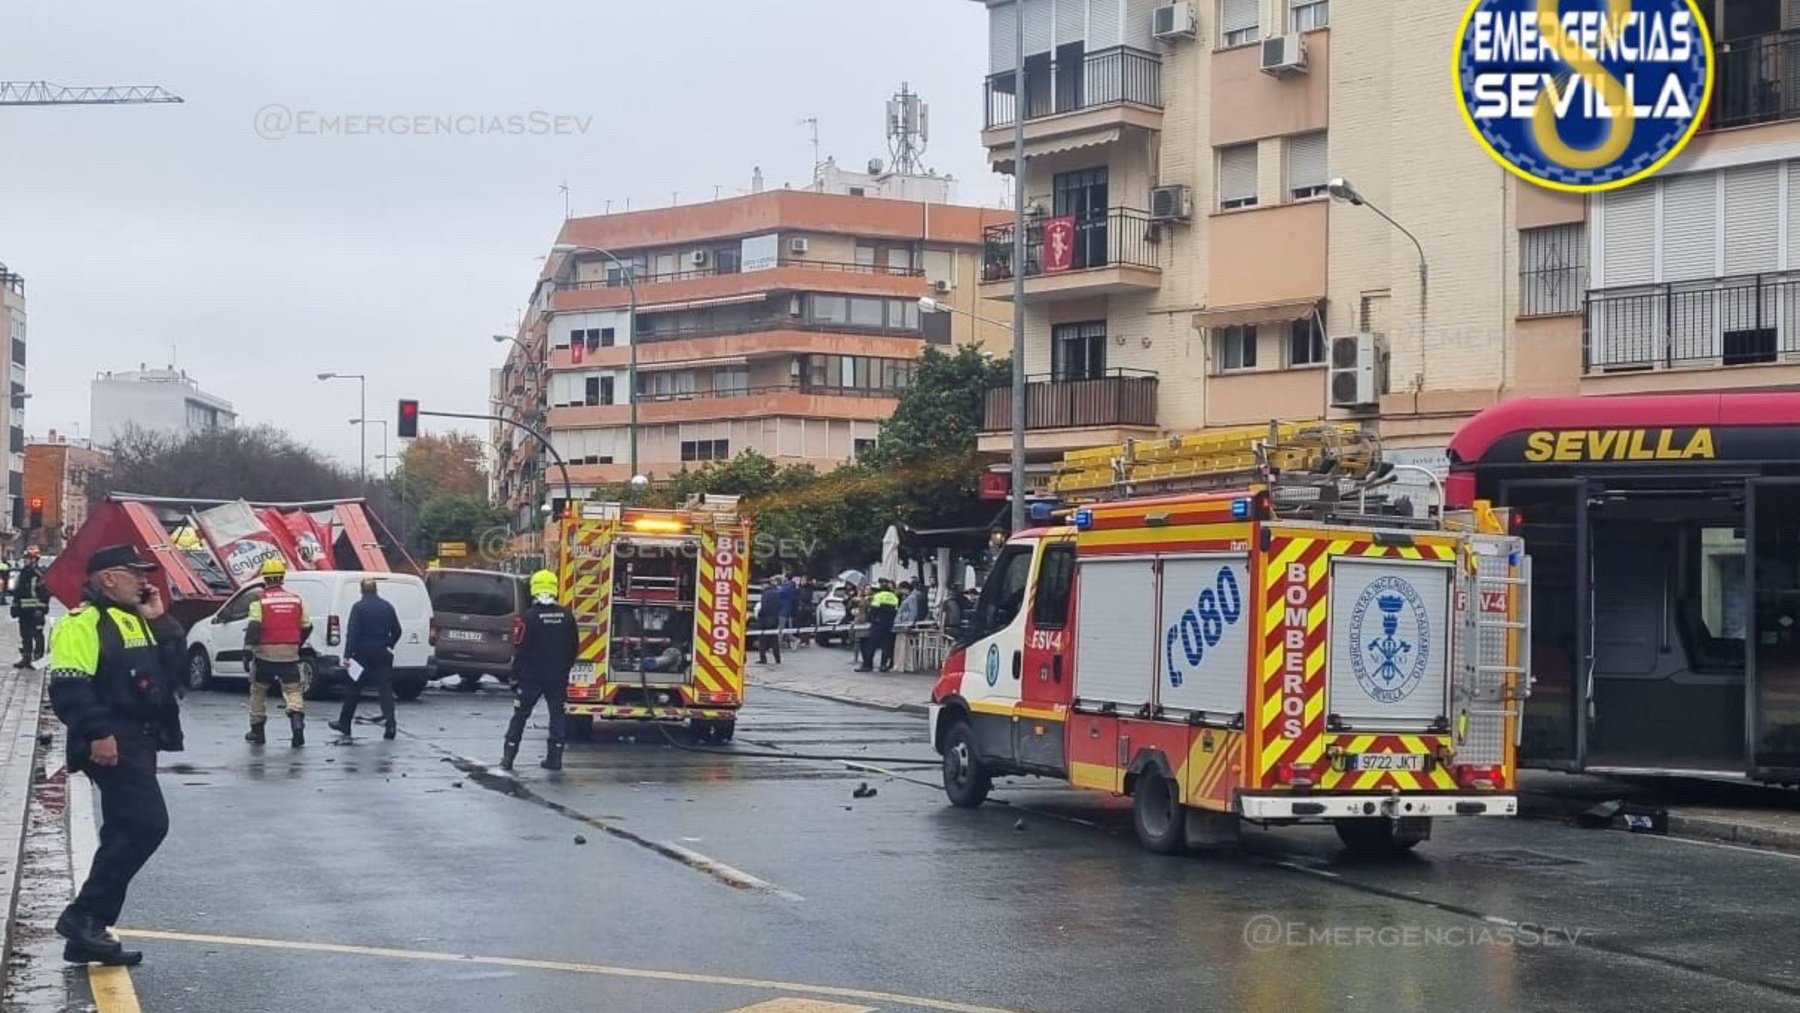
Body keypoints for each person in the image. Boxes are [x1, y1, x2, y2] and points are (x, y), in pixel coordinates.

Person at [46, 544, 184, 967]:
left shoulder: (136, 620)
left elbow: (175, 673)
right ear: (108, 578)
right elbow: (69, 688)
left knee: (125, 830)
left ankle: (85, 933)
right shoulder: (82, 623)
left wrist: (160, 621)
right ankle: (84, 916)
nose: (145, 581)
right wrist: (99, 732)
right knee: (148, 824)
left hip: (139, 740)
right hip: (111, 740)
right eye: (135, 573)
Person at [503, 569, 579, 772]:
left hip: (531, 678)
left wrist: (514, 676)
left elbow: (520, 648)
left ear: (533, 589)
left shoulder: (528, 617)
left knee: (519, 716)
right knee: (557, 717)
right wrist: (564, 670)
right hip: (557, 678)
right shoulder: (567, 617)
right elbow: (574, 648)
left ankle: (508, 759)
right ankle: (555, 759)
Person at [242, 558, 312, 748]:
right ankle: (297, 724)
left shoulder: (260, 600)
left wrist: (247, 651)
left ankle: (257, 732)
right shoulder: (296, 599)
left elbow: (254, 625)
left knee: (258, 691)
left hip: (265, 654)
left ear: (265, 578)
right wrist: (297, 643)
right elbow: (307, 625)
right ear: (282, 577)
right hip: (289, 653)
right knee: (293, 690)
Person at [331, 578, 402, 740]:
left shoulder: (358, 608)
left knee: (353, 689)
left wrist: (348, 655)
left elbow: (353, 633)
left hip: (362, 655)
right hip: (382, 653)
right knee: (385, 690)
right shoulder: (387, 607)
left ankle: (344, 723)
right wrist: (389, 644)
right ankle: (390, 724)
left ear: (361, 590)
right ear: (376, 589)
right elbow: (397, 630)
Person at [12, 545, 49, 668]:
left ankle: (38, 659)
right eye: (25, 558)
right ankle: (26, 658)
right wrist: (15, 606)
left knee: (37, 634)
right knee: (25, 634)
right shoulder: (24, 572)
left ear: (35, 559)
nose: (25, 560)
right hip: (24, 611)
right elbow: (18, 591)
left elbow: (45, 593)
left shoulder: (40, 574)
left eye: (28, 558)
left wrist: (41, 609)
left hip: (36, 611)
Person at [858, 579, 901, 673]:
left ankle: (867, 665)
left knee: (871, 645)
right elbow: (896, 611)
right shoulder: (894, 597)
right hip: (889, 625)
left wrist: (871, 620)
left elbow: (873, 610)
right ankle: (883, 665)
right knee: (886, 646)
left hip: (877, 624)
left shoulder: (878, 596)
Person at [755, 576, 783, 665]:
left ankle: (763, 659)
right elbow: (780, 606)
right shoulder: (776, 593)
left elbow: (764, 608)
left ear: (765, 585)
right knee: (774, 639)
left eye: (761, 585)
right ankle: (777, 658)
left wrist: (759, 614)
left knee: (762, 640)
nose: (761, 587)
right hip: (774, 619)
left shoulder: (765, 594)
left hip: (765, 620)